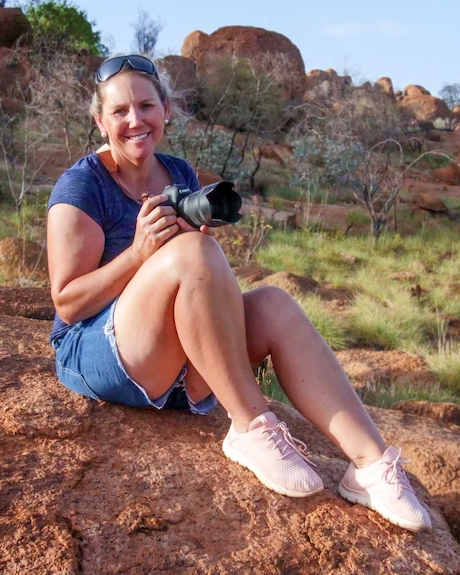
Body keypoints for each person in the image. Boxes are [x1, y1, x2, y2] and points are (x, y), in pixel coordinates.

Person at [46, 54, 432, 533]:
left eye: (146, 106)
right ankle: (251, 426)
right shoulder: (83, 184)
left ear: (166, 110)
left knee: (273, 303)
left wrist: (196, 248)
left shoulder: (178, 172)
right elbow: (66, 302)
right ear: (101, 122)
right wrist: (140, 253)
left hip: (173, 364)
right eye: (120, 111)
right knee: (190, 254)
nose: (135, 120)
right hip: (98, 354)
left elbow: (196, 276)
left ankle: (370, 467)